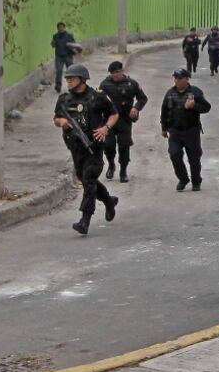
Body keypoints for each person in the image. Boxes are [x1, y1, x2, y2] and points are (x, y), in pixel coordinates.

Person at [53, 64, 119, 235]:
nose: (68, 81)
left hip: (94, 146)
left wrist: (106, 128)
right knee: (86, 179)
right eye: (67, 78)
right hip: (75, 147)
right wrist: (63, 123)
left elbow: (114, 114)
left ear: (82, 79)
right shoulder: (64, 99)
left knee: (89, 179)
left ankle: (85, 220)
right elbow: (56, 118)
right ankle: (109, 201)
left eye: (72, 78)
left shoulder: (98, 97)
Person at [160, 68, 211, 192]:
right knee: (174, 154)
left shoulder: (195, 92)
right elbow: (164, 111)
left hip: (191, 131)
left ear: (187, 79)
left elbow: (206, 107)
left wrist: (194, 106)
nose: (177, 80)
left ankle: (196, 181)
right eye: (175, 78)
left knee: (194, 158)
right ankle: (183, 179)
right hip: (175, 131)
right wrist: (164, 128)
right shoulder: (170, 93)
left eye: (180, 78)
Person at [99, 61, 149, 183]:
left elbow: (143, 98)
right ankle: (111, 164)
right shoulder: (105, 84)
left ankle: (123, 171)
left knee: (124, 145)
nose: (115, 75)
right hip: (109, 120)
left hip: (124, 120)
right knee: (109, 145)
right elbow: (98, 100)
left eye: (117, 72)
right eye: (112, 73)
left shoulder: (131, 84)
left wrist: (136, 108)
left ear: (122, 71)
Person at [51, 22, 77, 93]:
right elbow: (53, 44)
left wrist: (70, 46)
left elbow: (74, 44)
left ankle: (72, 86)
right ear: (57, 28)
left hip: (68, 56)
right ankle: (58, 86)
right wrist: (53, 43)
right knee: (59, 71)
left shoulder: (69, 36)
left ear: (64, 28)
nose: (61, 29)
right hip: (59, 56)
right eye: (59, 27)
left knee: (70, 72)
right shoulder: (55, 36)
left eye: (62, 27)